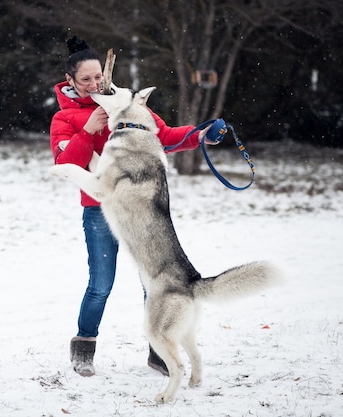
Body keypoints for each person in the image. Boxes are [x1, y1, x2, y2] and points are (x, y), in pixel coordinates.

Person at [50, 35, 216, 378]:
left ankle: (159, 352)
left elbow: (164, 135)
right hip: (100, 210)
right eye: (85, 80)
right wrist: (88, 130)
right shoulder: (64, 119)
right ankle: (84, 345)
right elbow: (67, 162)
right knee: (100, 284)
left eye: (99, 77)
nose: (95, 85)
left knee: (151, 281)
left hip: (139, 210)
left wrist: (199, 135)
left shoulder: (124, 104)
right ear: (70, 81)